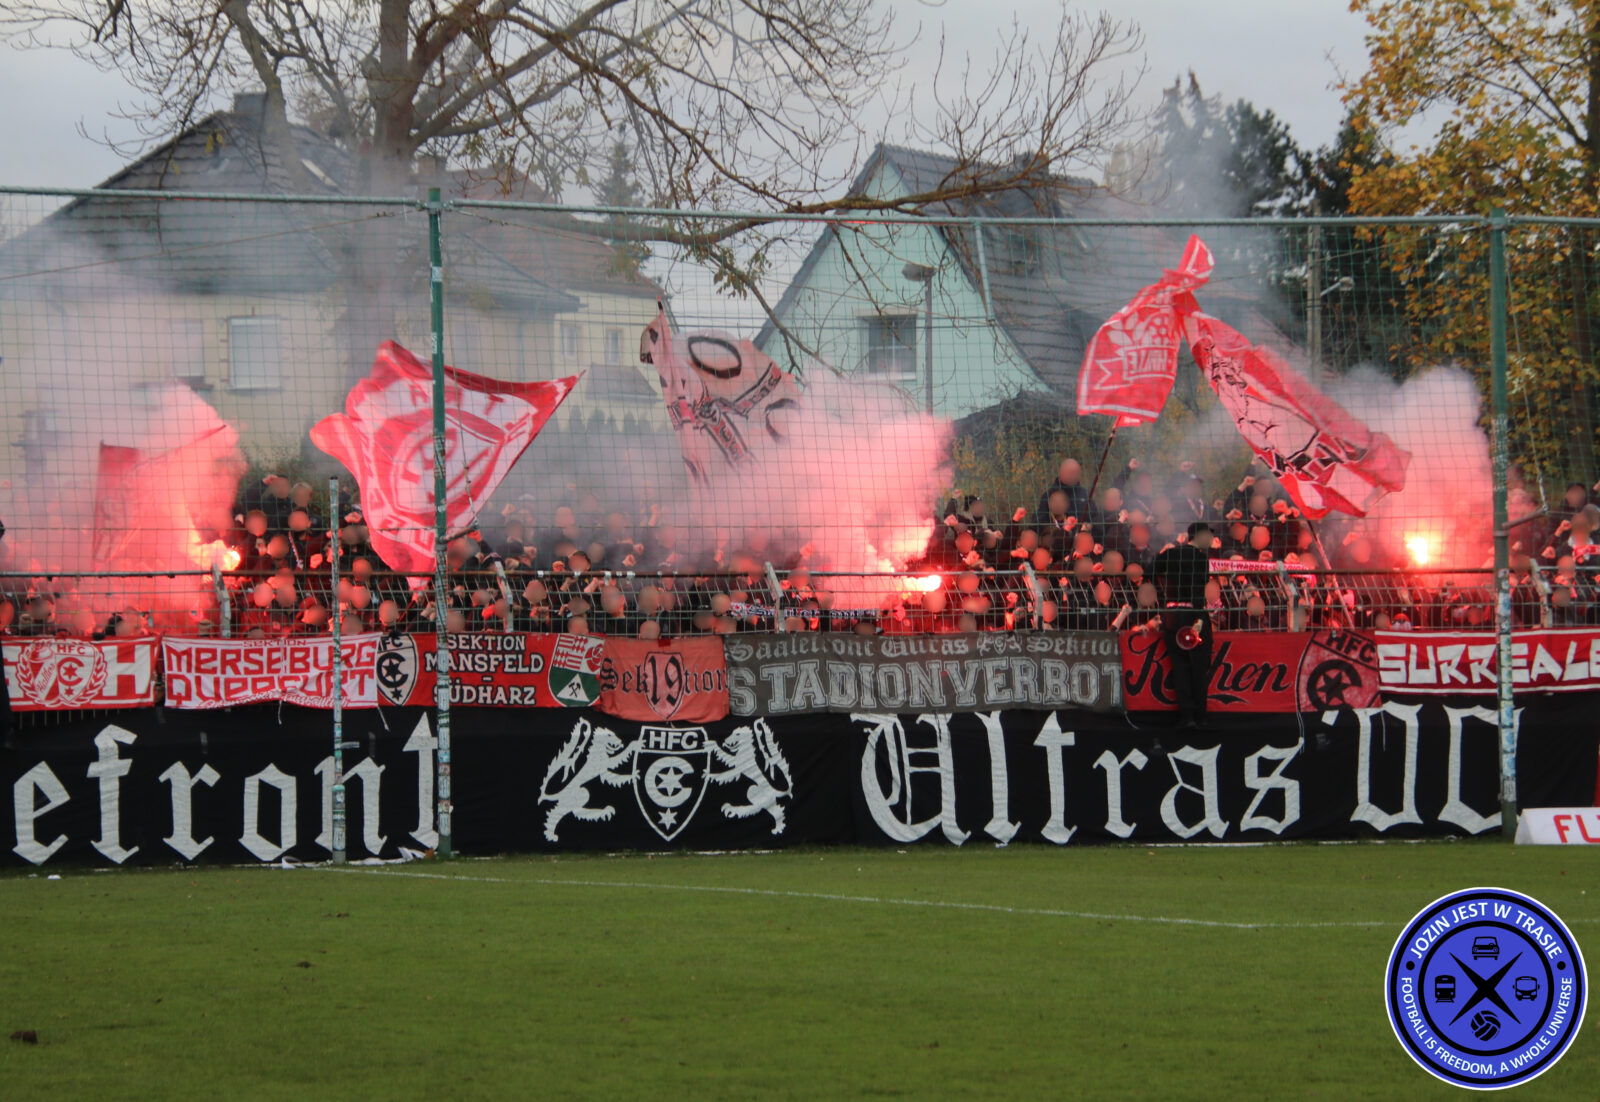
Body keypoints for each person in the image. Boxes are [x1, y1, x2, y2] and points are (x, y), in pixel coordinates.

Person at [1149, 522, 1216, 729]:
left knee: (1179, 667)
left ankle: (1187, 716)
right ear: (1199, 535)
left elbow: (1150, 572)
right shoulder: (1200, 558)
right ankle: (1201, 716)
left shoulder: (1169, 554)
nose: (1211, 540)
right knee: (1198, 667)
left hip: (1172, 615)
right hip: (1193, 615)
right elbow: (1198, 591)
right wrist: (1199, 620)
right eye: (1209, 536)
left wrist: (1164, 602)